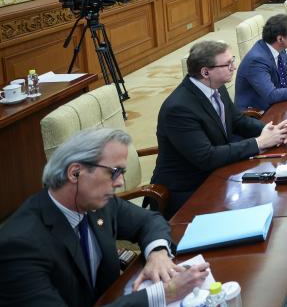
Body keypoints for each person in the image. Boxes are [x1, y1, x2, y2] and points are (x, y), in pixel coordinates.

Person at [0, 127, 209, 306]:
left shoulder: (97, 202)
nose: (119, 183)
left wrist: (158, 254)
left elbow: (148, 220)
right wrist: (163, 294)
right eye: (115, 172)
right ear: (75, 173)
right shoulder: (18, 245)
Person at [151, 40, 287, 218]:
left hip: (219, 173)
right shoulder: (179, 109)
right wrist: (259, 143)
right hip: (188, 190)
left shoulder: (216, 87)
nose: (234, 67)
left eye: (232, 61)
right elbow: (206, 157)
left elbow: (239, 120)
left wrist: (272, 131)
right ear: (205, 72)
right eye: (228, 64)